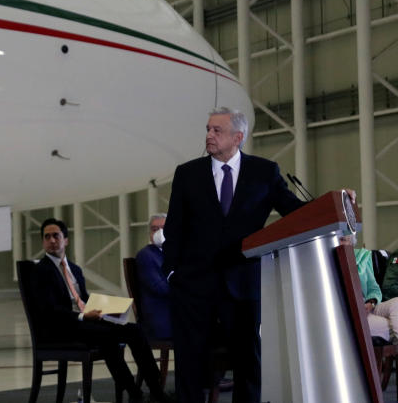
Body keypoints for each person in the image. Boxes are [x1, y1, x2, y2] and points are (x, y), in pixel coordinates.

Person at [162, 107, 320, 403]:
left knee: (248, 363)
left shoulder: (264, 172)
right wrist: (172, 271)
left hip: (243, 284)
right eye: (208, 129)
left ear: (238, 137)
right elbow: (175, 227)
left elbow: (294, 211)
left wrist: (334, 201)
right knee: (189, 365)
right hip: (192, 286)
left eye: (216, 130)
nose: (209, 135)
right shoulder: (187, 174)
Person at [34, 218, 173, 403]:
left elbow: (82, 299)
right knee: (107, 336)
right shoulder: (40, 271)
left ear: (65, 240)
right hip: (63, 326)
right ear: (43, 241)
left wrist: (108, 309)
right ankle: (133, 391)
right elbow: (50, 310)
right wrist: (83, 316)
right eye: (47, 237)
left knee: (134, 330)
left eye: (56, 236)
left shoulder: (74, 268)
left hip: (84, 321)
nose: (52, 240)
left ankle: (155, 388)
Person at [341, 232, 392, 341]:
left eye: (343, 239)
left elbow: (374, 288)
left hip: (369, 306)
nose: (339, 243)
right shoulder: (327, 261)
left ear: (350, 243)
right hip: (353, 311)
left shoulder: (363, 256)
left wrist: (371, 302)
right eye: (338, 240)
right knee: (390, 326)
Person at [135, 213, 171, 341]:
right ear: (149, 234)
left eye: (164, 228)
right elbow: (161, 288)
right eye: (155, 229)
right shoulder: (146, 256)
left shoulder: (173, 253)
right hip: (162, 320)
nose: (159, 232)